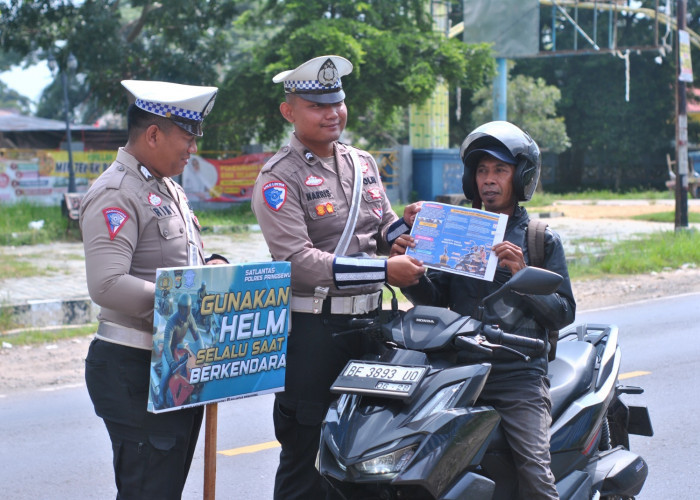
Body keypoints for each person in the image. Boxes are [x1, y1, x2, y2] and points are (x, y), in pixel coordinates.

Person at [251, 55, 426, 500]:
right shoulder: (279, 177)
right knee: (306, 461)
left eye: (338, 102)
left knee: (370, 454)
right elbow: (297, 261)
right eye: (316, 105)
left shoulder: (361, 162)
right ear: (289, 111)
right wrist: (386, 268)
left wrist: (412, 230)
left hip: (369, 330)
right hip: (314, 333)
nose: (332, 113)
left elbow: (383, 228)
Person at [394, 121, 576, 499]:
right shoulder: (457, 228)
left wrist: (522, 273)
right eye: (482, 170)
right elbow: (435, 300)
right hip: (456, 369)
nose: (488, 180)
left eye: (500, 170)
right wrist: (408, 274)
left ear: (521, 176)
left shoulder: (539, 239)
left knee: (535, 472)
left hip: (517, 376)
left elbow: (563, 313)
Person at [80, 79, 220, 499]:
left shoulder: (167, 186)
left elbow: (179, 264)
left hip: (172, 363)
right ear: (154, 134)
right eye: (187, 135)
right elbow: (106, 284)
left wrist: (212, 268)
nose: (193, 147)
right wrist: (188, 302)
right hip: (134, 366)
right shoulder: (117, 191)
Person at [156, 293, 205, 409]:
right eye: (182, 308)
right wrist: (171, 362)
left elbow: (197, 334)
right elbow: (167, 345)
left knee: (192, 369)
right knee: (166, 373)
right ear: (179, 308)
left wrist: (202, 352)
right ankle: (160, 397)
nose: (184, 311)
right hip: (170, 350)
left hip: (181, 348)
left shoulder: (190, 318)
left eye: (186, 308)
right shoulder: (171, 322)